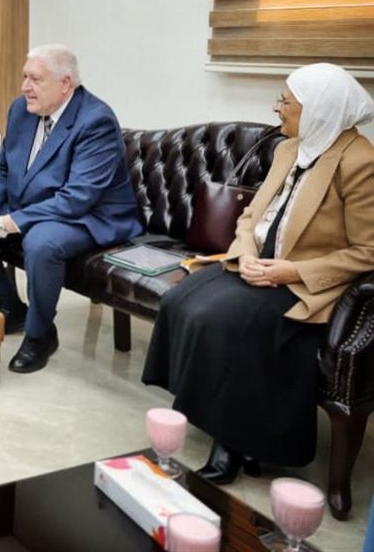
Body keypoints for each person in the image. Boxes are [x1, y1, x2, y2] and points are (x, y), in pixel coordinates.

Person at [143, 63, 374, 484]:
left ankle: (231, 441)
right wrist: (246, 252)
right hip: (256, 264)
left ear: (318, 110)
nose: (276, 108)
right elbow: (252, 214)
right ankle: (207, 412)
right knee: (179, 299)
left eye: (286, 101)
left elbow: (368, 251)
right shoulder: (290, 149)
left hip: (302, 281)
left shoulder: (360, 163)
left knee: (222, 320)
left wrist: (291, 270)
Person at [0, 44, 141, 374]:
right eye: (25, 77)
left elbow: (76, 198)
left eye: (35, 79)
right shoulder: (21, 110)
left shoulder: (96, 121)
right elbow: (2, 169)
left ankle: (40, 334)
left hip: (91, 216)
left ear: (65, 84)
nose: (25, 87)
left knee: (42, 242)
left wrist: (4, 223)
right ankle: (9, 309)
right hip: (38, 205)